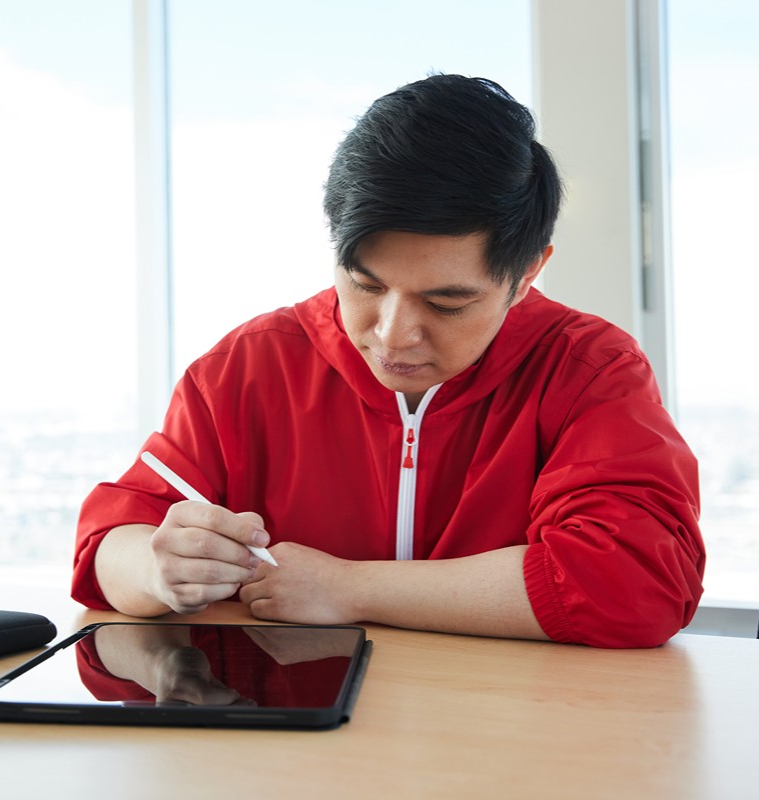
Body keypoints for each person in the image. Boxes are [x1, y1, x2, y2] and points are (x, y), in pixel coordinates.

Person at [73, 74, 704, 648]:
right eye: (365, 285)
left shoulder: (587, 367)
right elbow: (107, 544)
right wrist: (158, 568)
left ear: (528, 271)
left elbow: (637, 582)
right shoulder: (250, 364)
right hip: (296, 752)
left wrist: (349, 588)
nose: (393, 335)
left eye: (447, 301)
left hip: (506, 739)